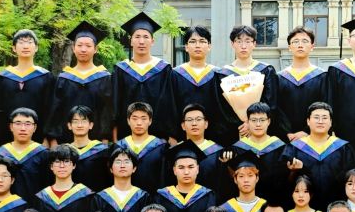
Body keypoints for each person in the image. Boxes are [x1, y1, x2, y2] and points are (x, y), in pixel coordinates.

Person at [169, 26, 238, 146]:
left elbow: (225, 111)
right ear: (186, 47)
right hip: (182, 139)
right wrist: (172, 136)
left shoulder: (218, 75)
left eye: (202, 41)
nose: (197, 45)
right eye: (192, 41)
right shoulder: (175, 75)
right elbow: (170, 108)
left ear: (209, 46)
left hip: (215, 141)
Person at [282, 102, 355, 212]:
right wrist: (293, 171)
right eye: (316, 117)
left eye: (325, 118)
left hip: (336, 208)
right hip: (304, 209)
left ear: (331, 122)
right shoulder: (295, 147)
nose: (320, 121)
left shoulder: (343, 148)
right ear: (308, 121)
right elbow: (282, 182)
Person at [47, 22, 113, 144]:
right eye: (79, 45)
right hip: (66, 144)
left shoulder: (104, 78)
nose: (83, 49)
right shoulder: (64, 78)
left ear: (95, 49)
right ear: (73, 48)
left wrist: (105, 140)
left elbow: (106, 113)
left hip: (96, 145)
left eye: (88, 46)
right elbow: (56, 111)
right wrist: (54, 141)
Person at [113, 12, 175, 142]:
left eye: (146, 37)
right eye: (137, 37)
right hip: (126, 140)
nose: (141, 41)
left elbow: (169, 106)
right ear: (131, 41)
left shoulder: (163, 69)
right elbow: (115, 107)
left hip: (158, 140)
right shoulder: (121, 70)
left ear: (152, 41)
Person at [0, 29, 54, 145]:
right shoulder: (3, 77)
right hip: (6, 139)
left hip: (38, 139)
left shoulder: (46, 77)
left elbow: (50, 110)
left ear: (36, 48)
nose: (25, 46)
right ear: (14, 48)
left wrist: (47, 137)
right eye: (21, 42)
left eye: (30, 42)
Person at [155, 141, 217, 212]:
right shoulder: (162, 196)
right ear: (174, 170)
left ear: (197, 169)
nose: (186, 172)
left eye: (191, 167)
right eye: (181, 167)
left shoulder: (208, 196)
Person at [219, 25, 279, 138]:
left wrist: (253, 123)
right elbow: (222, 107)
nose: (243, 46)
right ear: (232, 44)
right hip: (234, 131)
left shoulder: (266, 70)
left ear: (254, 44)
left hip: (261, 129)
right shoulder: (222, 73)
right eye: (239, 41)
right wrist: (241, 125)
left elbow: (271, 102)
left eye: (248, 41)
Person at [33, 145, 94, 212]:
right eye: (57, 162)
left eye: (66, 161)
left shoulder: (85, 195)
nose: (62, 166)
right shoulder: (42, 197)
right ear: (51, 166)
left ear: (74, 165)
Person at [92, 146, 153, 212]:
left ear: (134, 168)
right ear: (111, 169)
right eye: (118, 162)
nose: (122, 165)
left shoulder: (143, 197)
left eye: (127, 162)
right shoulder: (100, 198)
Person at [275, 26, 328, 140]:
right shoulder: (279, 77)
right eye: (295, 41)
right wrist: (286, 132)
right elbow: (276, 108)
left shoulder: (322, 76)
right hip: (285, 138)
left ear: (312, 46)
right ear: (289, 47)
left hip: (314, 136)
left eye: (305, 41)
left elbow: (326, 106)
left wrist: (307, 131)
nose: (300, 45)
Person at [229, 102, 287, 203]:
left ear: (269, 121)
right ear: (247, 122)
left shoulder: (280, 146)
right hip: (246, 201)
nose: (258, 124)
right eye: (254, 120)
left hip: (274, 200)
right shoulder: (238, 148)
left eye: (262, 120)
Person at [0, 107, 50, 204]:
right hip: (6, 207)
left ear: (35, 128)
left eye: (28, 124)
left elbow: (47, 184)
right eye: (18, 123)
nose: (23, 128)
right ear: (11, 127)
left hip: (35, 207)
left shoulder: (43, 153)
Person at [173, 103, 228, 195]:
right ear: (183, 126)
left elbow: (222, 184)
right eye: (189, 120)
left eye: (198, 119)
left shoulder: (218, 152)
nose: (194, 123)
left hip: (211, 200)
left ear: (206, 124)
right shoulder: (175, 151)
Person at [116, 102, 168, 194]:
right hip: (124, 198)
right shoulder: (119, 146)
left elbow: (164, 179)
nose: (139, 123)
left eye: (144, 119)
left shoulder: (161, 147)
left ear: (150, 121)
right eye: (134, 118)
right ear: (128, 121)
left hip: (153, 199)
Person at [67, 105, 111, 192]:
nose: (79, 125)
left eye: (84, 121)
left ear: (91, 125)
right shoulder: (65, 152)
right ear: (69, 125)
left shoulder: (103, 151)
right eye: (75, 121)